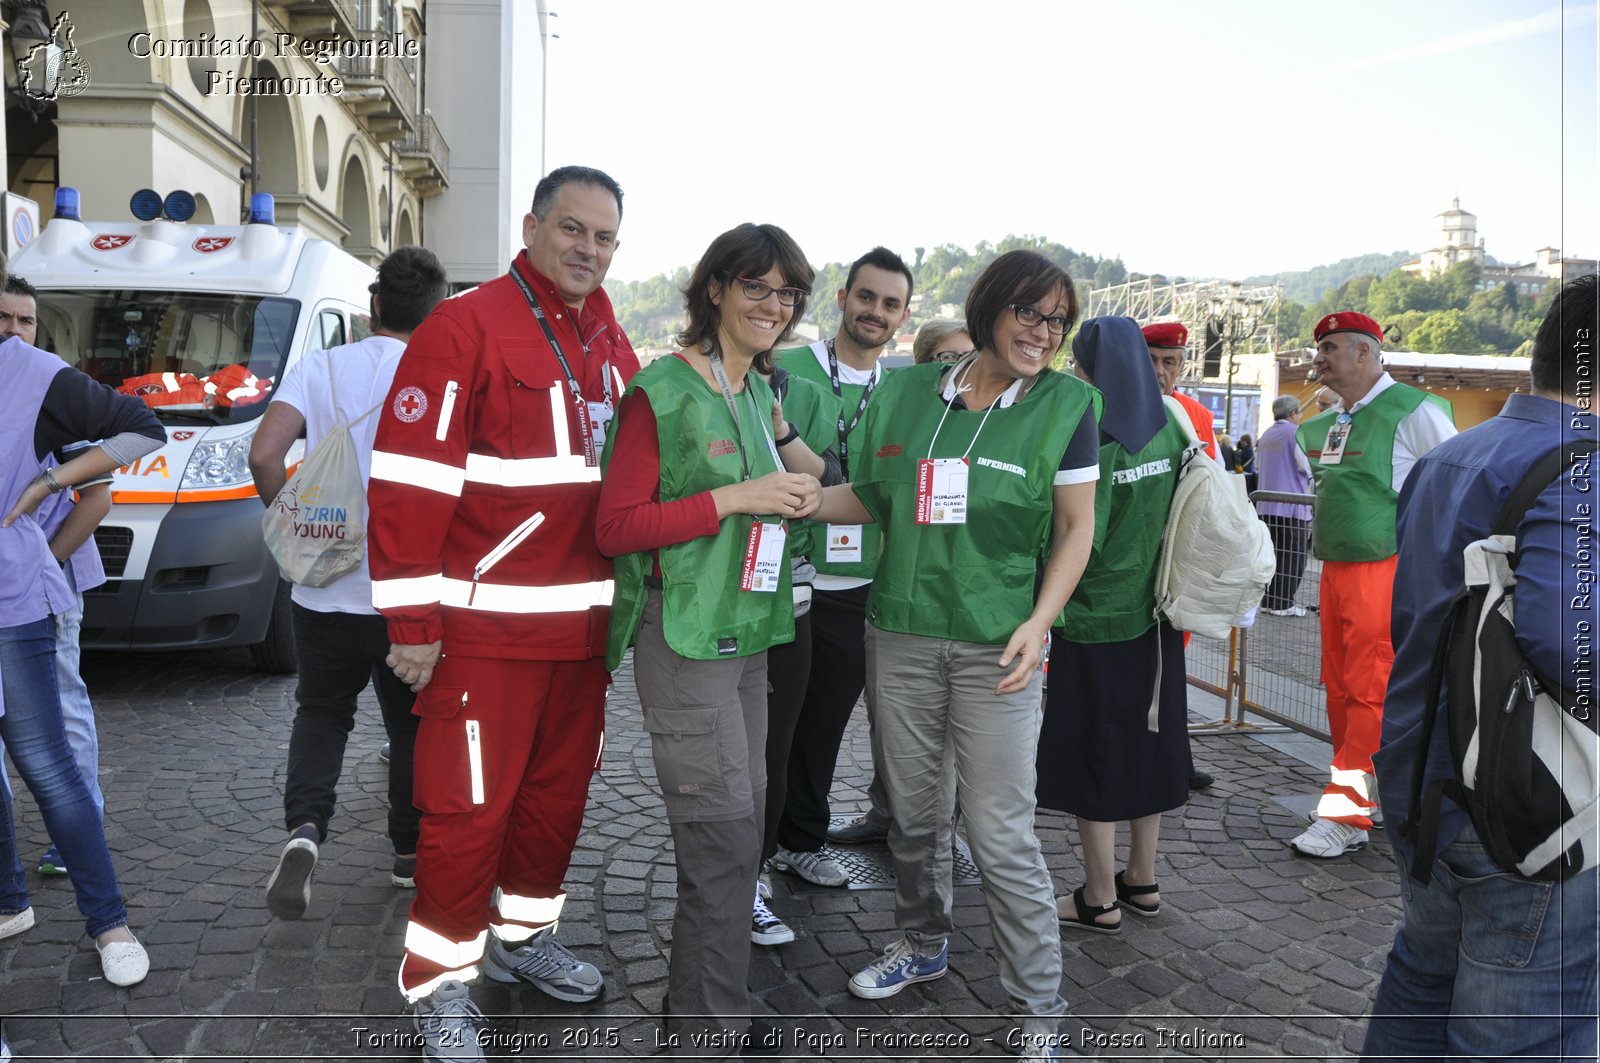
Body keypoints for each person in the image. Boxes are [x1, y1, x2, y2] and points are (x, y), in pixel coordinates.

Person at [366, 166, 639, 1061]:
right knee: (465, 813)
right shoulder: (463, 326)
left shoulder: (609, 341)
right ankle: (438, 983)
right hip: (485, 639)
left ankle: (523, 940)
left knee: (554, 807)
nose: (586, 250)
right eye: (572, 229)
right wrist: (412, 624)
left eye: (603, 237)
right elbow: (409, 482)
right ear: (531, 226)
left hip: (585, 640)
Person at [809, 250, 1098, 1060]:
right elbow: (868, 496)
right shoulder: (904, 392)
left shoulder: (1067, 404)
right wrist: (789, 496)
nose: (1043, 333)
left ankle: (1039, 1001)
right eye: (1030, 314)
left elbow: (1077, 528)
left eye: (1056, 320)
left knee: (1000, 830)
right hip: (898, 631)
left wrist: (1042, 620)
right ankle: (922, 940)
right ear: (989, 308)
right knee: (914, 814)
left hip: (998, 643)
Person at [1361, 273, 1599, 1061]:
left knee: (1421, 980)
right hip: (1526, 806)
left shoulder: (1457, 453)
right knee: (1523, 1028)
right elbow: (1577, 649)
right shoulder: (1584, 468)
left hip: (1420, 777)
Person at [596, 222, 820, 1054]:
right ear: (716, 289)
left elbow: (805, 486)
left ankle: (715, 1012)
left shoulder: (761, 390)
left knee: (745, 825)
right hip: (685, 636)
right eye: (757, 287)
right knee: (722, 840)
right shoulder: (663, 388)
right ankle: (704, 1029)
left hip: (751, 632)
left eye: (787, 292)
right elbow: (615, 525)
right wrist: (737, 499)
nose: (773, 305)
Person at [249, 246, 448, 920]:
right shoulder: (441, 379)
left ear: (374, 308)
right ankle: (407, 852)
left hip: (323, 585)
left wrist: (290, 520)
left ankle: (305, 830)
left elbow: (264, 452)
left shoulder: (321, 367)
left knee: (322, 712)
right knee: (413, 727)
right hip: (409, 591)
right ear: (436, 313)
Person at [0, 249, 166, 987]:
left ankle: (109, 921)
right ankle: (9, 901)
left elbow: (141, 428)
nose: (15, 328)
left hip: (12, 602)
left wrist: (47, 484)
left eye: (20, 318)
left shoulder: (31, 373)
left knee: (49, 764)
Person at [1039, 316, 1192, 937]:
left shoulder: (1089, 434)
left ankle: (1099, 896)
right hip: (1157, 617)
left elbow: (1075, 535)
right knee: (1147, 746)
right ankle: (1142, 878)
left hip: (1091, 619)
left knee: (1091, 756)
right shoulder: (1172, 428)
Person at [1288, 311, 1455, 859]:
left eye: (1329, 348)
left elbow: (1453, 487)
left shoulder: (1416, 410)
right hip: (1337, 570)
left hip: (1384, 571)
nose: (1318, 359)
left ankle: (1347, 813)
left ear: (1365, 352)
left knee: (1368, 691)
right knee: (1340, 690)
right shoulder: (1340, 418)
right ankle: (1361, 797)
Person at [774, 248, 913, 858]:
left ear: (903, 316)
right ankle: (756, 859)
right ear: (842, 299)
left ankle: (802, 842)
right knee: (774, 732)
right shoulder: (784, 366)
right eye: (866, 297)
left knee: (826, 726)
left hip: (862, 581)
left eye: (890, 304)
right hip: (791, 576)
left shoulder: (908, 389)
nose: (874, 312)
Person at [0, 275, 112, 880]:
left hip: (45, 584)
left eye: (25, 321)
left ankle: (77, 830)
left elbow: (98, 497)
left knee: (63, 704)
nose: (14, 331)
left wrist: (42, 561)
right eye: (5, 318)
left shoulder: (48, 391)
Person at [752, 358, 842, 946]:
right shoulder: (681, 384)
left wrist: (783, 431)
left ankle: (753, 881)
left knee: (773, 755)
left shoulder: (805, 393)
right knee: (722, 760)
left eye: (783, 296)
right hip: (712, 601)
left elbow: (832, 484)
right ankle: (720, 887)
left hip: (791, 594)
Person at [1141, 320, 1216, 793]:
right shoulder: (1117, 408)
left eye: (1170, 362)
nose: (1162, 371)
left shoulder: (1195, 413)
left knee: (1172, 664)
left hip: (1178, 557)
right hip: (1132, 555)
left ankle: (1174, 759)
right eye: (1152, 360)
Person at [1255, 395, 1314, 616]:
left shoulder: (1267, 435)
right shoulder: (1295, 433)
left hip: (1267, 506)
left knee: (1273, 555)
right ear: (1293, 413)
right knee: (1293, 555)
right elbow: (1305, 465)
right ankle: (1284, 603)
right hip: (1292, 505)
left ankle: (1270, 600)